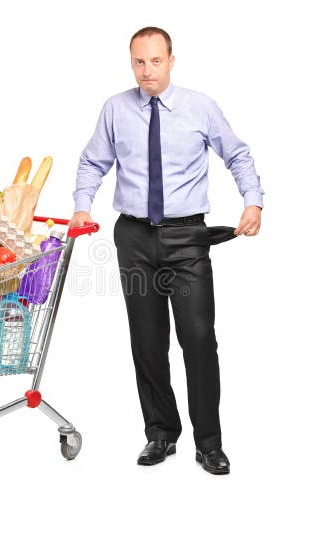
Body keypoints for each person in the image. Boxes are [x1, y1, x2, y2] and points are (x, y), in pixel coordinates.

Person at [68, 27, 264, 475]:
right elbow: (92, 161)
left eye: (155, 61)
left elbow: (236, 154)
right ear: (131, 63)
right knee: (147, 342)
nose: (147, 71)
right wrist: (82, 207)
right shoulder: (116, 109)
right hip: (134, 239)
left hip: (186, 240)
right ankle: (160, 434)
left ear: (171, 60)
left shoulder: (200, 107)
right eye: (139, 62)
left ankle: (209, 443)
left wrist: (252, 200)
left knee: (197, 340)